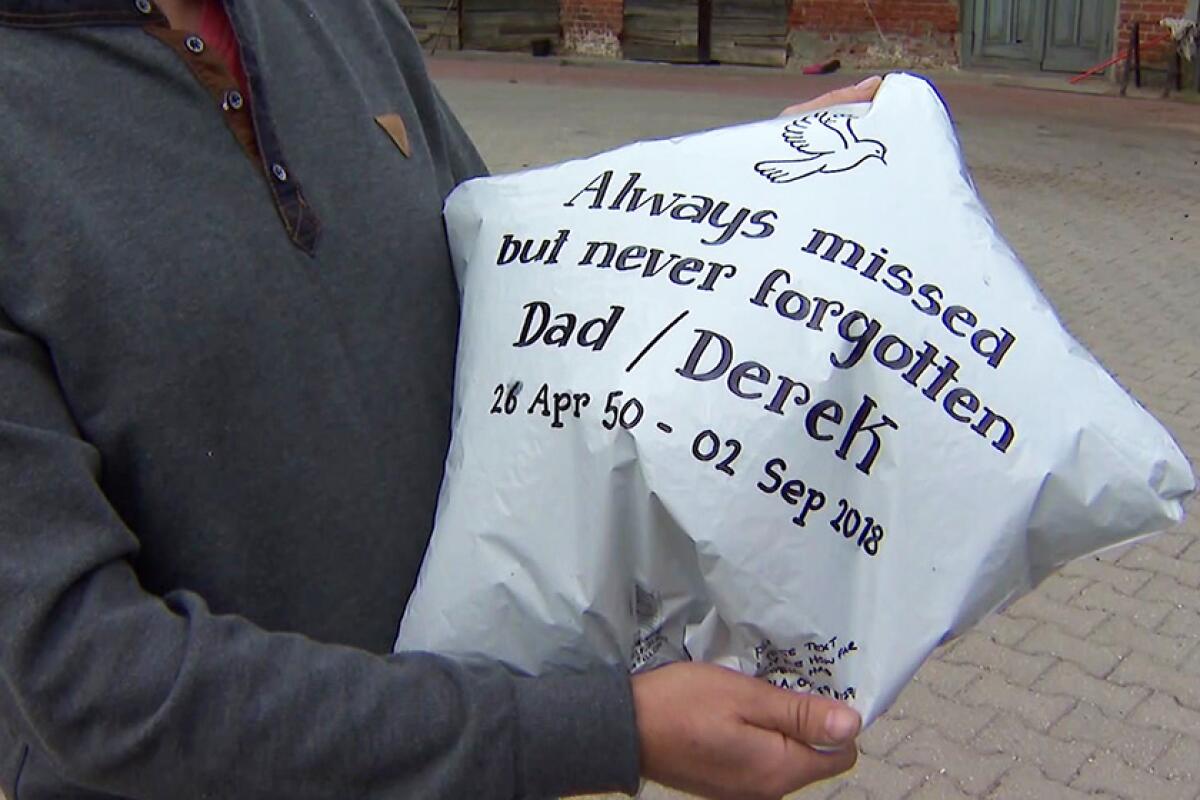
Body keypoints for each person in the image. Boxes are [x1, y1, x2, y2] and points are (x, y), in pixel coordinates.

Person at [0, 1, 878, 797]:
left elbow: (518, 292)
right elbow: (86, 677)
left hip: (474, 761)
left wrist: (758, 195)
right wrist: (601, 729)